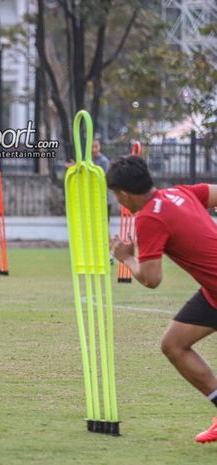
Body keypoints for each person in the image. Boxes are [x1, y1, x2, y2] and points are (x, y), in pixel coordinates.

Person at [108, 156, 217, 443]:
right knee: (174, 345)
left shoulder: (148, 218)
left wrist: (126, 257)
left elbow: (151, 279)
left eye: (117, 197)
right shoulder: (178, 192)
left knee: (175, 346)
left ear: (123, 194)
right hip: (212, 292)